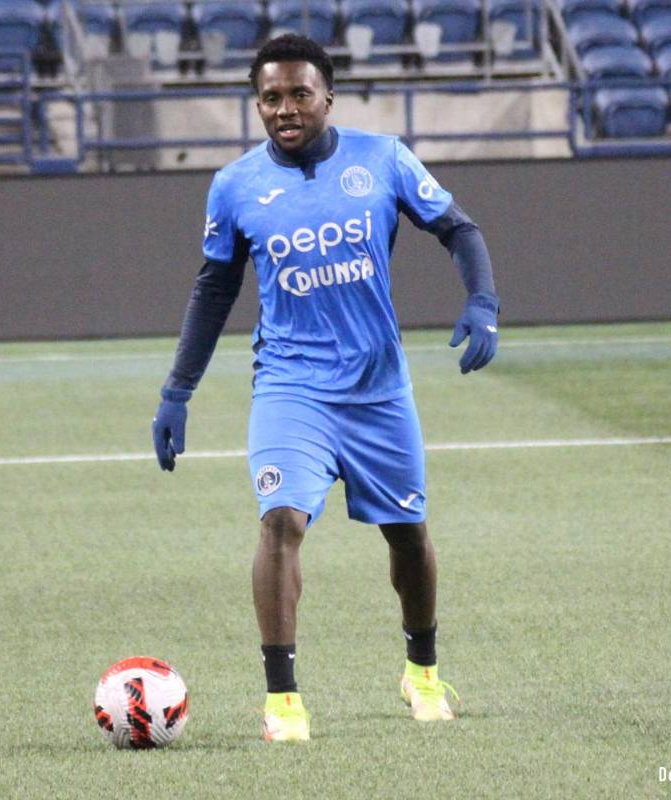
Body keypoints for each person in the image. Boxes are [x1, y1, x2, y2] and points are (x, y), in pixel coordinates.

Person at [151, 34, 499, 742]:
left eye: (298, 94)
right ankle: (283, 699)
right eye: (270, 98)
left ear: (327, 97)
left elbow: (460, 230)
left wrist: (483, 300)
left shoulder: (383, 159)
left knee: (408, 537)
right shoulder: (236, 186)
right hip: (290, 386)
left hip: (378, 389)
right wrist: (177, 391)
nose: (285, 109)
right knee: (281, 521)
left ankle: (422, 672)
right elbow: (213, 290)